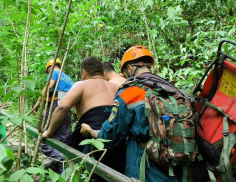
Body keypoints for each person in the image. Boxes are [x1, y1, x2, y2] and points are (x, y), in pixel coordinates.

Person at [81, 46, 182, 182]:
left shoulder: (129, 93)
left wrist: (91, 132)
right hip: (177, 165)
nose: (124, 77)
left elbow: (110, 136)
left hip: (145, 167)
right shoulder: (171, 90)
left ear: (130, 68)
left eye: (124, 73)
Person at [41, 57, 126, 180]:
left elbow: (62, 108)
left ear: (84, 73)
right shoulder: (116, 87)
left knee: (70, 154)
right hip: (114, 134)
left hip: (89, 131)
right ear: (103, 73)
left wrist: (49, 132)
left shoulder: (81, 85)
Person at [33, 58, 74, 174]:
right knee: (61, 141)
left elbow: (49, 86)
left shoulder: (54, 73)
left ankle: (56, 156)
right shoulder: (69, 79)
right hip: (67, 109)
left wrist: (37, 103)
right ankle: (59, 175)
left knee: (40, 136)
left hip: (55, 106)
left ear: (49, 68)